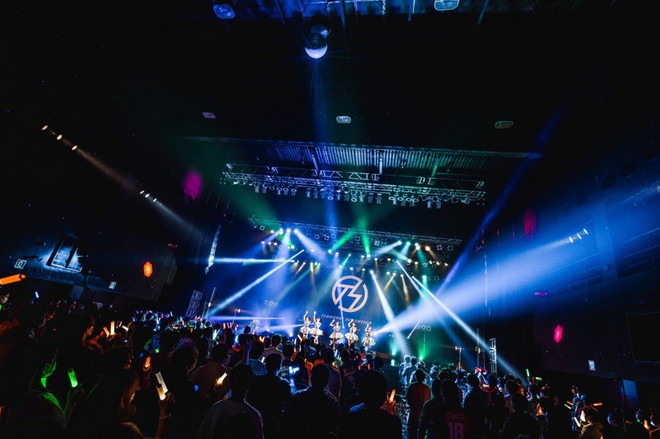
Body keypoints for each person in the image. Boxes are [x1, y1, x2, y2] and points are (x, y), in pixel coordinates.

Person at [196, 364, 264, 439]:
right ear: (250, 385)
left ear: (230, 382)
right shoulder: (254, 415)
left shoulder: (216, 408)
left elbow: (202, 434)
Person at [281, 364, 341, 439]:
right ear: (326, 381)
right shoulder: (332, 403)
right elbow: (336, 426)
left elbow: (286, 422)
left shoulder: (298, 398)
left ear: (311, 377)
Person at [339, 370, 402, 439]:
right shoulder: (393, 423)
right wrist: (391, 411)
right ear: (384, 396)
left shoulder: (349, 420)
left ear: (360, 392)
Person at [247, 353, 291, 439]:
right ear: (279, 367)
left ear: (266, 365)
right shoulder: (284, 384)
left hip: (257, 418)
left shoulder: (257, 381)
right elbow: (287, 403)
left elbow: (250, 398)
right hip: (275, 420)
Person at [406, 369, 431, 439]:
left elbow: (408, 399)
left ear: (416, 376)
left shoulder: (412, 386)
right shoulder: (427, 388)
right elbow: (428, 401)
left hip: (413, 414)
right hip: (423, 416)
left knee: (411, 433)